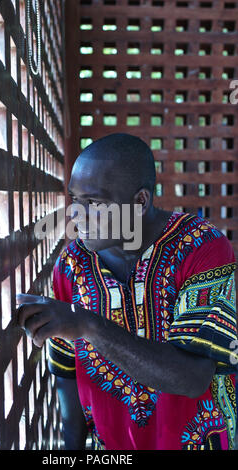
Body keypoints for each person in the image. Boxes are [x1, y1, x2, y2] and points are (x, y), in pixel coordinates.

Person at [17, 133, 238, 450]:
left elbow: (193, 378)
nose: (77, 217)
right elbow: (66, 378)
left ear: (140, 202)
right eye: (75, 200)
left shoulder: (201, 247)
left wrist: (89, 325)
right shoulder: (72, 266)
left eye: (94, 203)